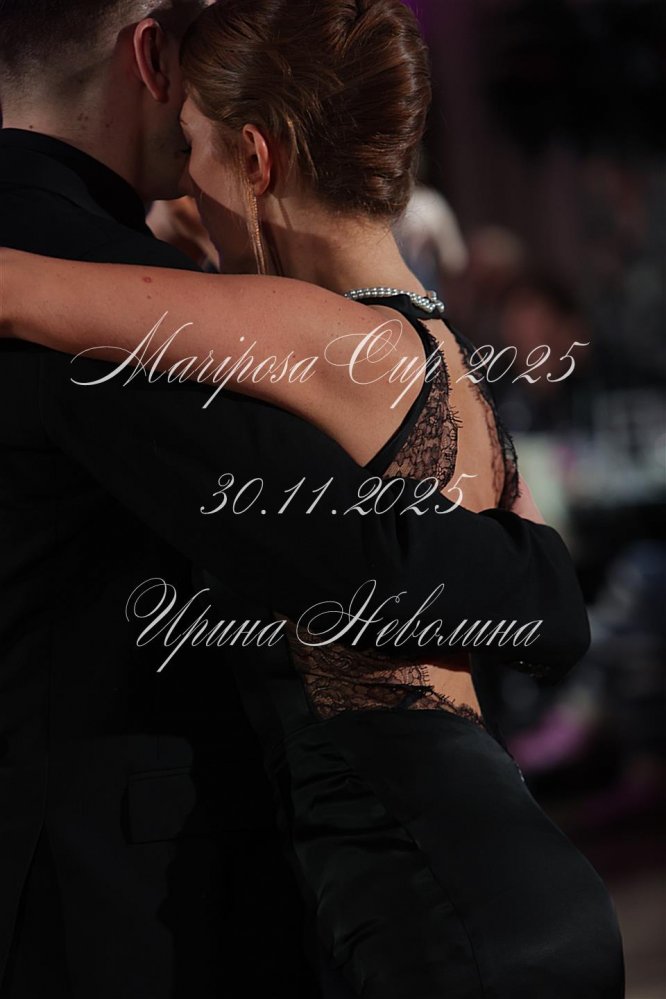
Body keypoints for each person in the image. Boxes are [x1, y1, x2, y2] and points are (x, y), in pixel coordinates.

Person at [0, 0, 623, 995]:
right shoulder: (433, 343)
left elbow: (27, 292)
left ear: (255, 158)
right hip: (498, 867)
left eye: (196, 150)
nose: (185, 193)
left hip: (427, 903)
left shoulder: (300, 333)